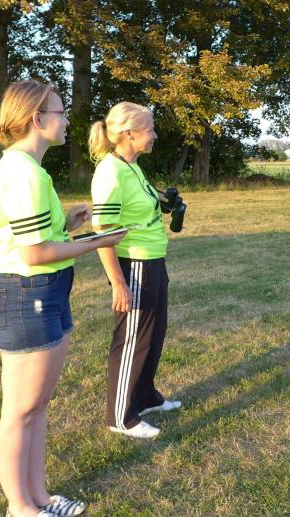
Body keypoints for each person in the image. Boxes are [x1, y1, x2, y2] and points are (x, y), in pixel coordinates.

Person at [0, 80, 125, 517]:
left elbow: (34, 236)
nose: (67, 121)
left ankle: (40, 498)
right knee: (20, 411)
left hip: (45, 292)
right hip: (27, 295)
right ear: (37, 118)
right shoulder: (23, 172)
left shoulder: (28, 169)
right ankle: (21, 508)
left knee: (37, 406)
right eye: (61, 113)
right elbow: (33, 253)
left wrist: (67, 221)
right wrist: (97, 241)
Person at [88, 102, 181, 439]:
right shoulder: (111, 171)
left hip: (153, 260)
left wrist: (166, 202)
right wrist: (118, 283)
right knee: (132, 339)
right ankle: (120, 416)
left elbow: (142, 205)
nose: (154, 135)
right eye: (149, 129)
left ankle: (144, 397)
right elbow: (104, 232)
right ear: (129, 133)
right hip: (135, 263)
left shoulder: (132, 167)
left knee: (153, 334)